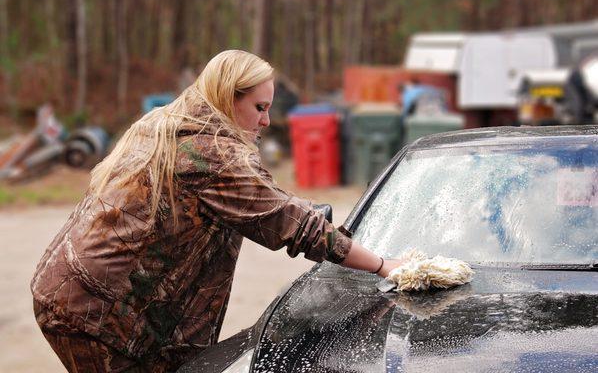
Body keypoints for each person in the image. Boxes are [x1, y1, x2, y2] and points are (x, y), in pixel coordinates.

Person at [31, 50, 403, 372]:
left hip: (72, 294)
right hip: (98, 314)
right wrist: (385, 266)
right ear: (228, 98)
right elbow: (296, 226)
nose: (266, 121)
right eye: (259, 108)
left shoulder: (169, 123)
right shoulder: (214, 154)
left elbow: (259, 198)